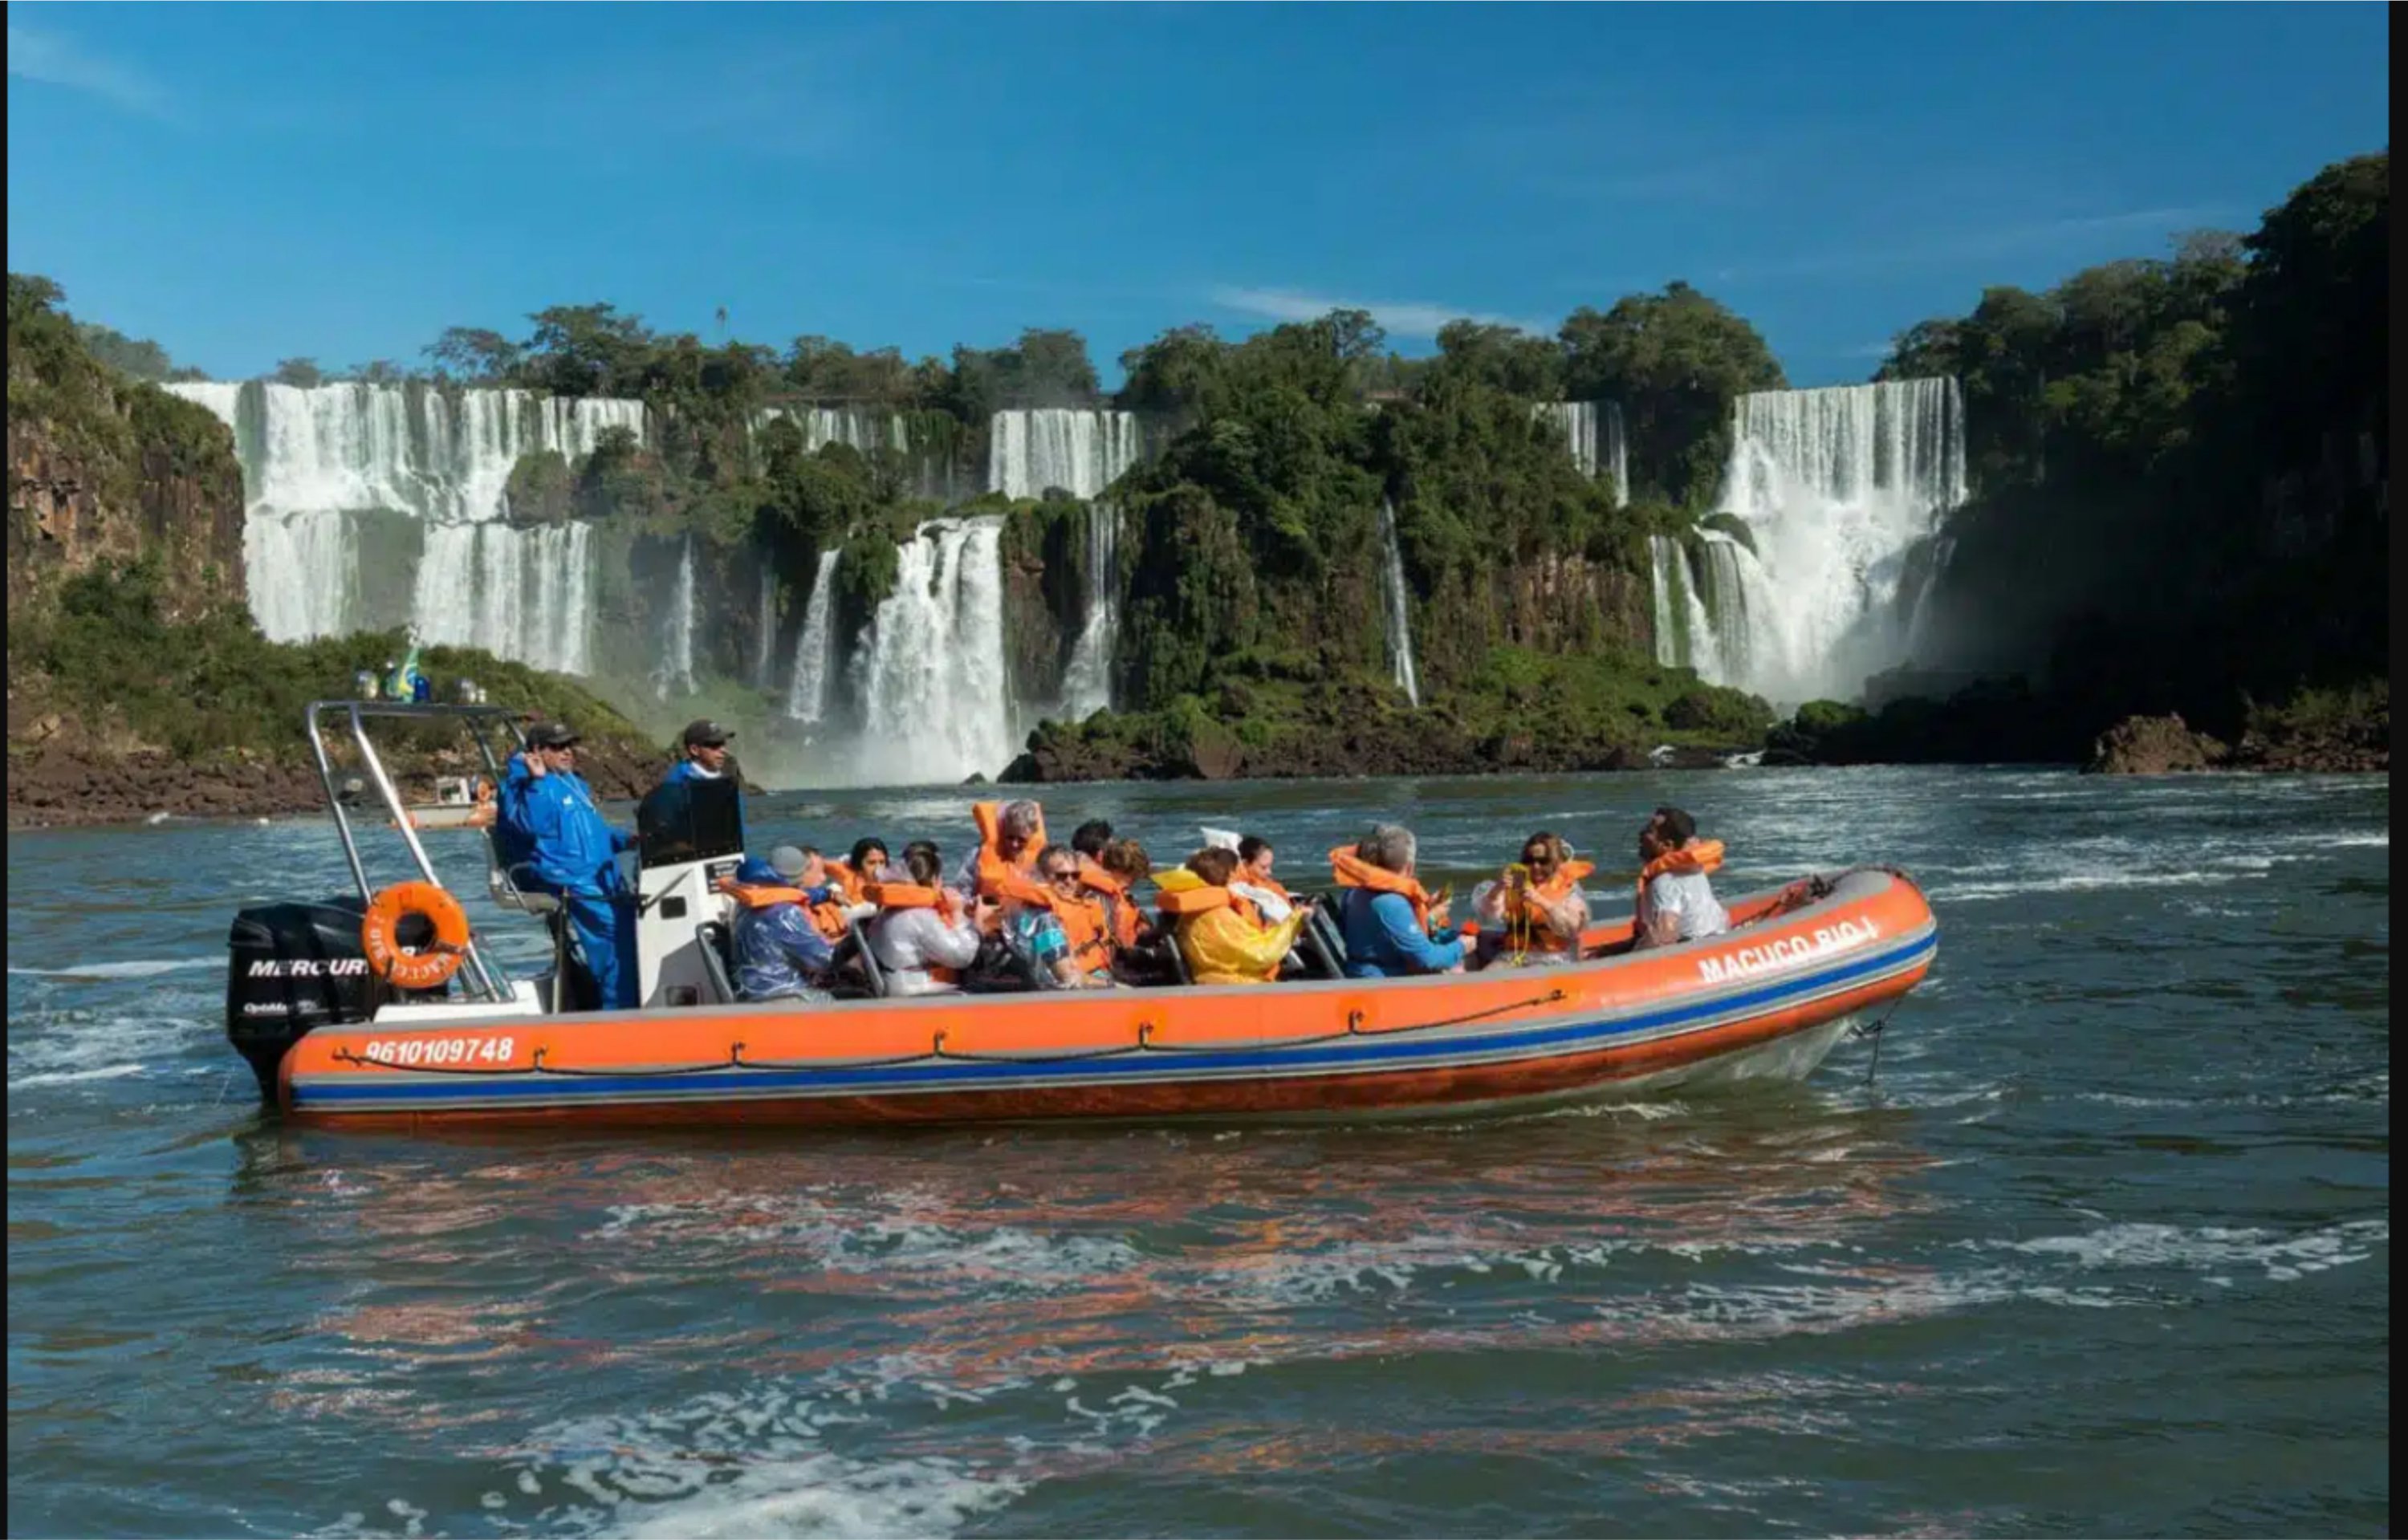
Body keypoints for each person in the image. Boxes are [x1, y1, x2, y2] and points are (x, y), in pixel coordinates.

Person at [494, 721, 638, 1009]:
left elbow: (594, 833)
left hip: (600, 877)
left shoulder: (571, 782)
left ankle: (630, 1002)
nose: (568, 752)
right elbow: (531, 826)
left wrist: (629, 839)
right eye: (558, 746)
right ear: (537, 751)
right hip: (566, 878)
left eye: (569, 745)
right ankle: (620, 1012)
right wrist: (536, 781)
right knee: (614, 936)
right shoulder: (520, 785)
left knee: (637, 925)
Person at [1155, 847, 1312, 985]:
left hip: (1208, 982)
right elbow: (1262, 955)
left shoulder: (1188, 915)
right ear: (1230, 875)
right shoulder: (1218, 917)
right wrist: (1295, 922)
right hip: (1240, 987)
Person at [1331, 824, 1465, 977]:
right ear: (1409, 867)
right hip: (1382, 981)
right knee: (1462, 964)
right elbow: (1427, 959)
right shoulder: (1391, 903)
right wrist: (1462, 946)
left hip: (1363, 970)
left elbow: (1390, 932)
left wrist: (1429, 915)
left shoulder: (1355, 892)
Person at [866, 841, 988, 995]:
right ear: (934, 880)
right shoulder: (919, 916)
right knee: (983, 990)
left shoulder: (890, 911)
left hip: (897, 984)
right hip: (915, 992)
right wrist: (964, 916)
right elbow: (963, 957)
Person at [724, 848, 837, 1002]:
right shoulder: (784, 914)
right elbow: (822, 960)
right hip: (783, 996)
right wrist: (845, 946)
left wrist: (827, 895)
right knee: (850, 1001)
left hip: (752, 990)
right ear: (799, 878)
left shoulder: (745, 904)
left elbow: (802, 895)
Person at [1472, 831, 1593, 965]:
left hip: (1556, 958)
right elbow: (1487, 915)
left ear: (1556, 861)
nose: (1536, 866)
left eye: (1543, 861)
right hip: (1515, 955)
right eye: (1529, 861)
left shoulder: (1569, 891)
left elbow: (1572, 928)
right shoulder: (1516, 885)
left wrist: (1541, 901)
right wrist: (1497, 890)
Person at [1004, 844, 1112, 988]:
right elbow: (1066, 977)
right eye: (1061, 876)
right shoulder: (1041, 917)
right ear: (1042, 877)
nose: (1069, 881)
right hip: (1063, 989)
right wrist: (1108, 985)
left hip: (1094, 977)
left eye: (1075, 876)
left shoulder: (1089, 905)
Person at [1632, 806, 1729, 950]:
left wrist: (1633, 954)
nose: (1642, 833)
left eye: (1649, 830)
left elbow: (1665, 935)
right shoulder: (1695, 870)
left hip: (1692, 949)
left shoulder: (1665, 881)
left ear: (1667, 845)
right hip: (1715, 939)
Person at [653, 718, 742, 846]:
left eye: (723, 744)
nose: (723, 750)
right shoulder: (678, 779)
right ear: (694, 750)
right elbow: (664, 822)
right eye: (714, 745)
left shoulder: (727, 778)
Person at [967, 799, 1050, 910]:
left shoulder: (1044, 859)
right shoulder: (978, 854)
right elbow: (963, 892)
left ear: (1032, 835)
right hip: (988, 910)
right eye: (1010, 837)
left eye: (1021, 840)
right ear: (1003, 831)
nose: (1014, 844)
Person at [1230, 833, 1296, 923]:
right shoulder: (1232, 886)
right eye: (1263, 867)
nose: (1269, 872)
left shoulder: (1274, 887)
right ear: (1245, 863)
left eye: (1270, 866)